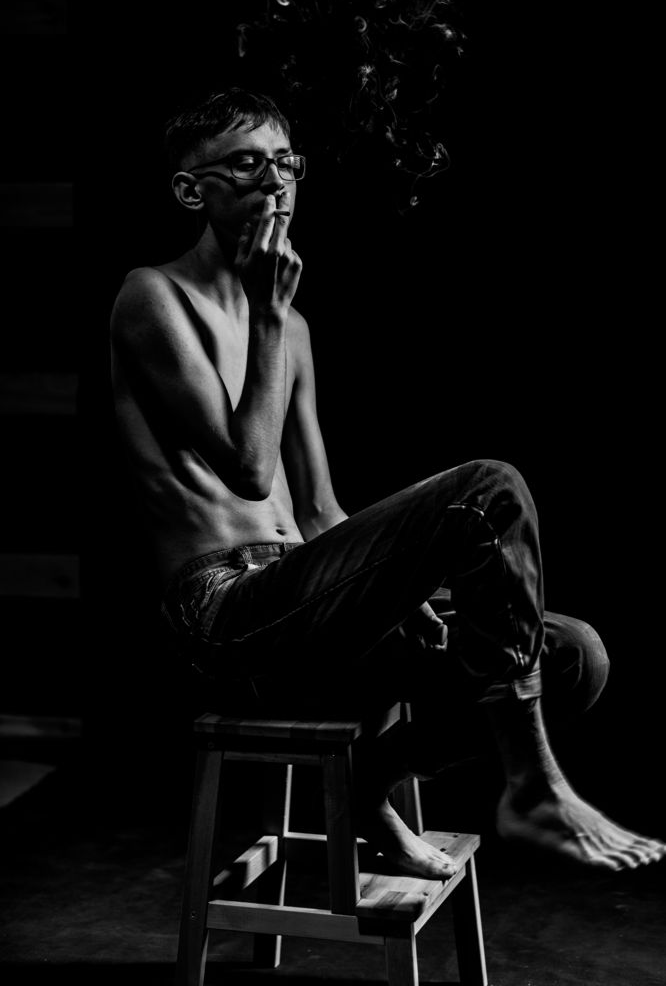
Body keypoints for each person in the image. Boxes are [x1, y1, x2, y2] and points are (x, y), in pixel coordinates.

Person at [110, 87, 665, 879]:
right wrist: (267, 316)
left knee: (577, 655)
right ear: (190, 190)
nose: (275, 181)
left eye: (285, 163)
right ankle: (534, 786)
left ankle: (371, 780)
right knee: (488, 488)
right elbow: (249, 470)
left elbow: (317, 507)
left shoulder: (292, 329)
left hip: (312, 596)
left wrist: (398, 592)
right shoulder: (153, 296)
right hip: (226, 614)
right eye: (246, 164)